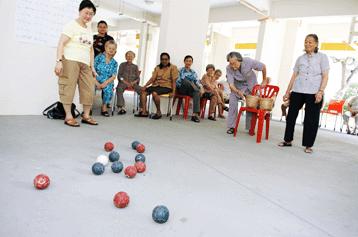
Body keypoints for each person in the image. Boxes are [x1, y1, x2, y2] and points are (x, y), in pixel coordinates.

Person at [278, 34, 329, 153]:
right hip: (298, 89)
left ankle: (308, 145)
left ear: (316, 44)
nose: (307, 44)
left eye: (310, 42)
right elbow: (294, 75)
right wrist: (287, 91)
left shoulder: (322, 57)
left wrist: (320, 91)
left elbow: (325, 76)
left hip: (314, 91)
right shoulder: (300, 58)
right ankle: (287, 140)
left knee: (310, 119)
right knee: (291, 116)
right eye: (306, 42)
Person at [54, 0, 98, 127]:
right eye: (86, 13)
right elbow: (61, 43)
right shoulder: (71, 25)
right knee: (68, 87)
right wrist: (59, 62)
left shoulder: (89, 28)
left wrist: (92, 66)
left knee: (88, 89)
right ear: (80, 11)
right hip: (70, 60)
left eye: (91, 14)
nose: (88, 16)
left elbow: (90, 49)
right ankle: (68, 116)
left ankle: (86, 115)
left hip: (85, 63)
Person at [225, 52, 267, 134]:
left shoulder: (248, 61)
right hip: (237, 87)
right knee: (232, 102)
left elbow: (263, 67)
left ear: (239, 60)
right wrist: (237, 91)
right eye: (230, 64)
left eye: (234, 63)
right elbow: (231, 84)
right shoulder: (228, 68)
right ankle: (232, 127)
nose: (233, 66)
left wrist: (264, 79)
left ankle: (250, 128)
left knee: (251, 105)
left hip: (250, 85)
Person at [135, 52, 179, 119]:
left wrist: (173, 92)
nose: (164, 61)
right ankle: (144, 112)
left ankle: (158, 112)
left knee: (155, 93)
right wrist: (145, 86)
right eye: (162, 59)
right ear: (160, 60)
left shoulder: (173, 67)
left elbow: (174, 81)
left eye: (166, 59)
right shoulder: (157, 68)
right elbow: (152, 79)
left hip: (167, 86)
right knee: (143, 92)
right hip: (156, 85)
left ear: (169, 60)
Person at [94, 40, 118, 117]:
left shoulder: (115, 62)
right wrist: (96, 83)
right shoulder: (98, 57)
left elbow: (114, 76)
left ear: (115, 51)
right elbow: (92, 70)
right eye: (109, 48)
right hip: (96, 78)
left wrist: (105, 83)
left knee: (108, 90)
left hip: (108, 80)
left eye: (113, 49)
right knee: (90, 88)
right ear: (105, 48)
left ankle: (104, 107)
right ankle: (88, 108)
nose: (111, 50)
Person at [176, 55, 201, 123]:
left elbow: (197, 82)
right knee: (185, 80)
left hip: (190, 90)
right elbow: (177, 82)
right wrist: (190, 83)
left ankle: (194, 115)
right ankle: (196, 89)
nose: (188, 62)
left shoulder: (193, 72)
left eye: (190, 61)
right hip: (182, 89)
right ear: (184, 62)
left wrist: (200, 87)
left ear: (192, 62)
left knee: (196, 92)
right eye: (187, 61)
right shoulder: (180, 70)